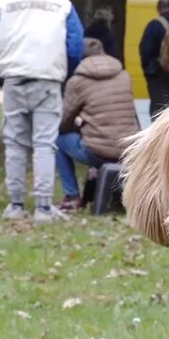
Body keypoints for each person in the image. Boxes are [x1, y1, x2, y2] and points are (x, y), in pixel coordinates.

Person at [0, 0, 84, 223]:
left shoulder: (3, 2)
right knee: (44, 143)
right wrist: (62, 72)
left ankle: (16, 204)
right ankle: (43, 206)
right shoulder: (62, 4)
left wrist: (4, 69)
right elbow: (74, 46)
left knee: (15, 143)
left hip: (14, 79)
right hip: (48, 79)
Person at [55, 39, 139, 211]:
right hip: (129, 148)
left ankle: (72, 196)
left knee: (56, 140)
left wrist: (78, 126)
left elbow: (63, 123)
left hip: (98, 151)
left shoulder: (77, 81)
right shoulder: (124, 75)